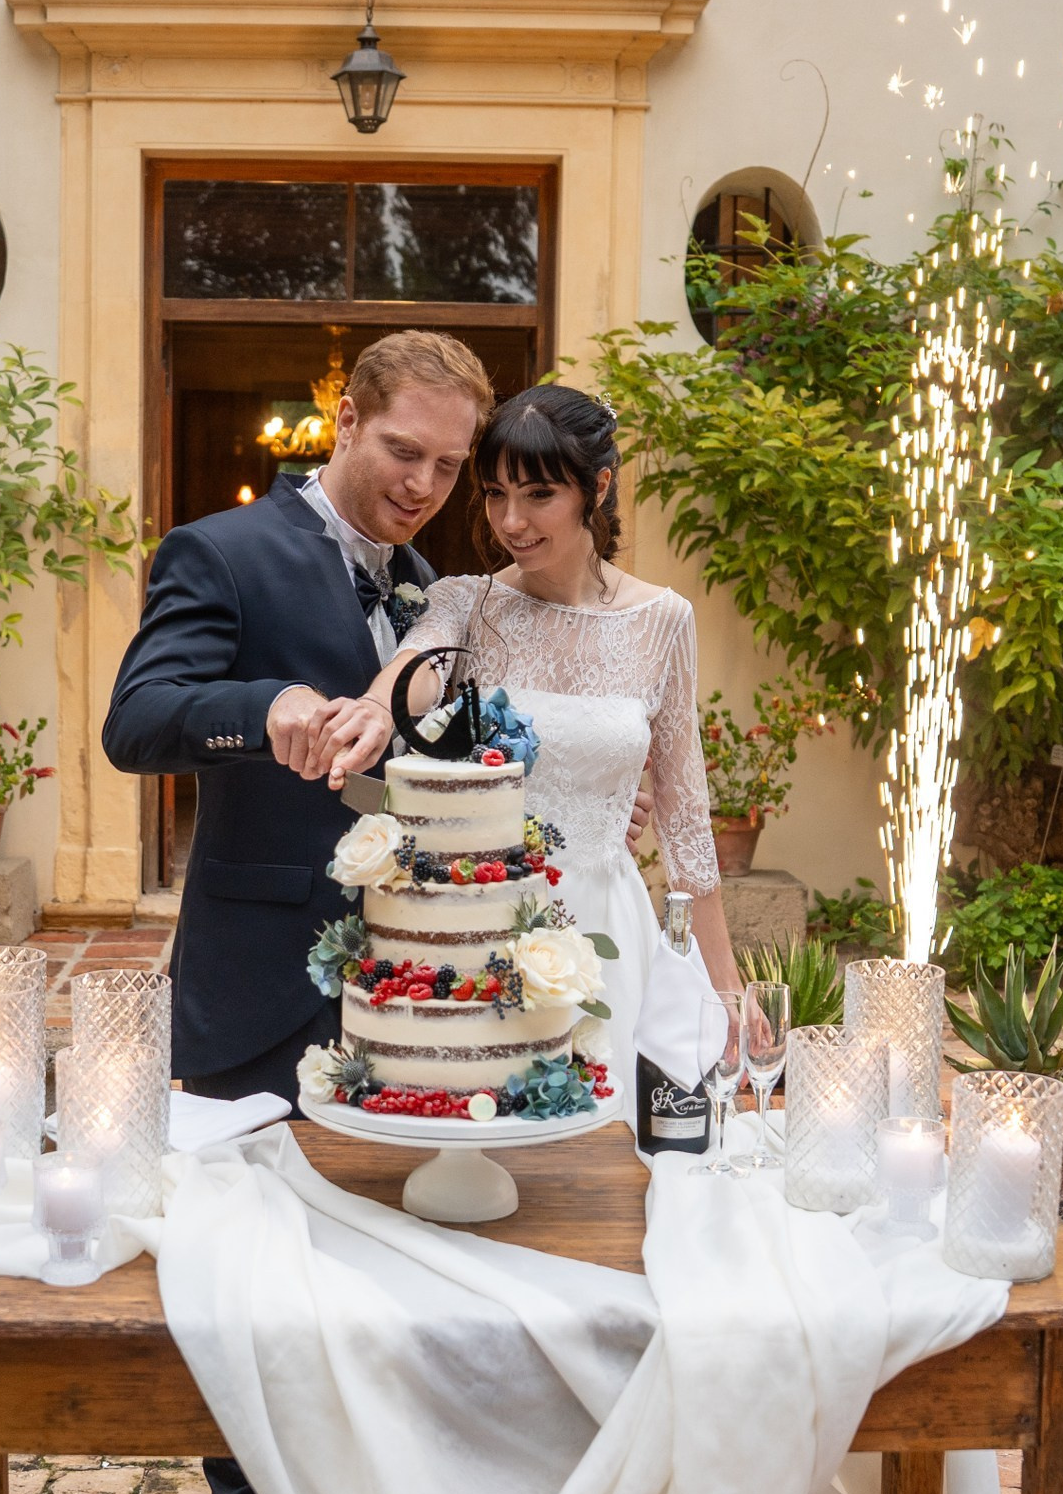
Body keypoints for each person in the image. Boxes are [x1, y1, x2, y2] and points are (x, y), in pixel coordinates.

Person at [102, 327, 494, 1494]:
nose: (424, 485)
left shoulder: (431, 586)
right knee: (250, 1278)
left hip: (410, 982)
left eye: (448, 465)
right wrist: (261, 704)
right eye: (403, 452)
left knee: (382, 1261)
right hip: (261, 970)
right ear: (345, 420)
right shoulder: (222, 550)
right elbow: (136, 721)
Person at [306, 383, 740, 1122]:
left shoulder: (664, 621)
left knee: (606, 1151)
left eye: (539, 494)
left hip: (607, 925)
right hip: (486, 924)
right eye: (496, 494)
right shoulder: (466, 604)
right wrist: (375, 710)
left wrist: (723, 986)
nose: (512, 521)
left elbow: (686, 821)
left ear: (597, 487)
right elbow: (413, 674)